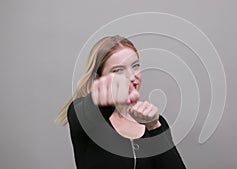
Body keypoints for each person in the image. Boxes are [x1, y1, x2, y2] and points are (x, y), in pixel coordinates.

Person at [56, 35, 186, 169]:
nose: (131, 76)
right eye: (118, 70)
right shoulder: (82, 114)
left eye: (135, 66)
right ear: (99, 78)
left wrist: (154, 127)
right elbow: (90, 111)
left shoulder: (155, 122)